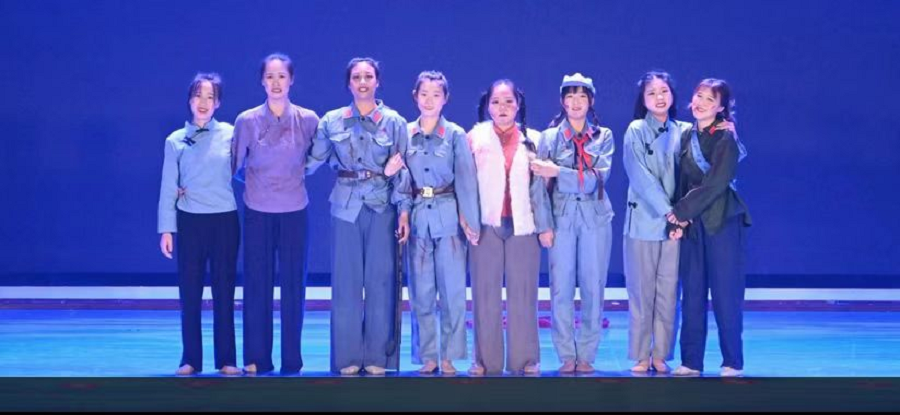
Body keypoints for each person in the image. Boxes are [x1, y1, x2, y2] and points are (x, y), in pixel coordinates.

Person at [307, 57, 409, 376]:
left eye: (368, 76)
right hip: (345, 206)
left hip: (382, 205)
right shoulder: (332, 121)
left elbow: (403, 172)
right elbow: (313, 159)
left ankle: (378, 356)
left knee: (380, 281)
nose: (362, 82)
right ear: (348, 83)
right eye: (356, 77)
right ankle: (347, 356)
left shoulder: (394, 121)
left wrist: (404, 211)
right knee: (346, 282)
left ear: (378, 81)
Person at [232, 53, 320, 374]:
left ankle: (292, 360)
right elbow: (235, 166)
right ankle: (258, 358)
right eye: (270, 76)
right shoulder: (247, 121)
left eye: (282, 76)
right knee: (257, 285)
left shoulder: (308, 119)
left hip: (295, 211)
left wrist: (292, 177)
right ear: (262, 81)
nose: (276, 82)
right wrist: (260, 184)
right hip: (257, 211)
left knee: (294, 287)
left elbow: (317, 158)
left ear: (291, 80)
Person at [395, 71, 479, 374]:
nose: (429, 100)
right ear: (415, 96)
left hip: (448, 217)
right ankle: (428, 355)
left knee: (453, 291)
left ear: (445, 99)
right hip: (418, 218)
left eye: (436, 95)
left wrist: (469, 220)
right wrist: (404, 212)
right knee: (421, 293)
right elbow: (402, 181)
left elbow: (466, 181)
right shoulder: (404, 133)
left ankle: (450, 356)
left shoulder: (455, 134)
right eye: (424, 94)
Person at [466, 79, 552, 375]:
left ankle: (525, 360)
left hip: (523, 226)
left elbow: (541, 190)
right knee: (484, 294)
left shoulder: (534, 140)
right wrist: (466, 219)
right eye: (496, 102)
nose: (502, 108)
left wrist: (545, 226)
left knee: (524, 294)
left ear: (518, 105)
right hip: (485, 225)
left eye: (508, 102)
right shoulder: (474, 138)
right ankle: (484, 361)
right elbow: (465, 184)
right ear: (487, 105)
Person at [530, 73, 614, 374]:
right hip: (560, 218)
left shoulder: (603, 136)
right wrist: (544, 225)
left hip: (595, 217)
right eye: (570, 97)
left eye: (582, 97)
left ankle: (587, 354)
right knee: (560, 289)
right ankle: (566, 354)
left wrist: (557, 171)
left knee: (594, 287)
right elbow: (538, 187)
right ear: (562, 101)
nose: (576, 103)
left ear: (591, 101)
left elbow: (596, 180)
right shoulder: (549, 137)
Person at [157, 72, 240, 376]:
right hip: (190, 221)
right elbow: (169, 186)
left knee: (224, 291)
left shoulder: (232, 134)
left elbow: (247, 170)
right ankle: (190, 358)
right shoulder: (175, 140)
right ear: (189, 100)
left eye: (210, 97)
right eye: (197, 95)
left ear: (218, 103)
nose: (203, 102)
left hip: (224, 220)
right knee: (190, 293)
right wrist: (167, 229)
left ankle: (227, 359)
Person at [668, 78, 750, 377]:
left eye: (710, 100)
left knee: (726, 293)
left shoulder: (726, 137)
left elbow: (716, 183)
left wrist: (681, 212)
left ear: (721, 108)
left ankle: (732, 361)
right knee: (692, 291)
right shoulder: (686, 136)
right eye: (699, 96)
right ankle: (691, 361)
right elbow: (682, 182)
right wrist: (677, 222)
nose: (701, 103)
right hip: (693, 224)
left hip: (722, 221)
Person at [621, 71, 690, 373]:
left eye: (664, 91)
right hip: (643, 222)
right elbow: (640, 177)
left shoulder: (685, 131)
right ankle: (640, 354)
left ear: (672, 95)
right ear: (643, 99)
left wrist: (680, 216)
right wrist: (669, 212)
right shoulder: (635, 130)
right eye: (651, 92)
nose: (659, 97)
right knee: (641, 292)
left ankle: (661, 354)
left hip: (677, 226)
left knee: (669, 292)